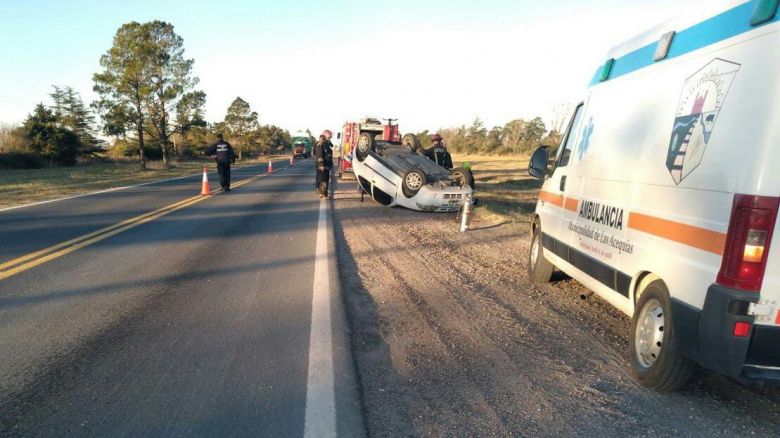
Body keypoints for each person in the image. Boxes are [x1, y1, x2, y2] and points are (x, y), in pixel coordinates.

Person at [314, 130, 334, 198]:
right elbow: (319, 155)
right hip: (323, 165)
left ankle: (325, 193)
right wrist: (321, 165)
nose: (330, 139)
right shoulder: (321, 144)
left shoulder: (327, 144)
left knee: (326, 179)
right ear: (325, 136)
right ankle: (322, 193)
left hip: (327, 165)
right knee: (322, 180)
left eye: (330, 137)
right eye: (329, 137)